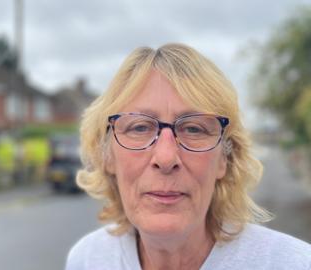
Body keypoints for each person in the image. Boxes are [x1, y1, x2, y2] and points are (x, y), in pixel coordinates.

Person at [65, 43, 311, 270]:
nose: (166, 157)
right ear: (107, 156)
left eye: (194, 129)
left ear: (224, 159)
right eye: (139, 128)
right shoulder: (87, 259)